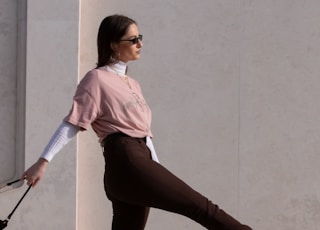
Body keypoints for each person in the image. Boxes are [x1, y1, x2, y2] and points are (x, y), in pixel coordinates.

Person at [22, 14, 252, 230]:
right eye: (133, 40)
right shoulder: (96, 79)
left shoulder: (133, 83)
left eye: (140, 38)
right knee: (201, 206)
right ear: (113, 44)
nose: (140, 44)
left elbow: (145, 134)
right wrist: (43, 161)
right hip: (126, 160)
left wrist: (156, 168)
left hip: (138, 163)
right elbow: (73, 122)